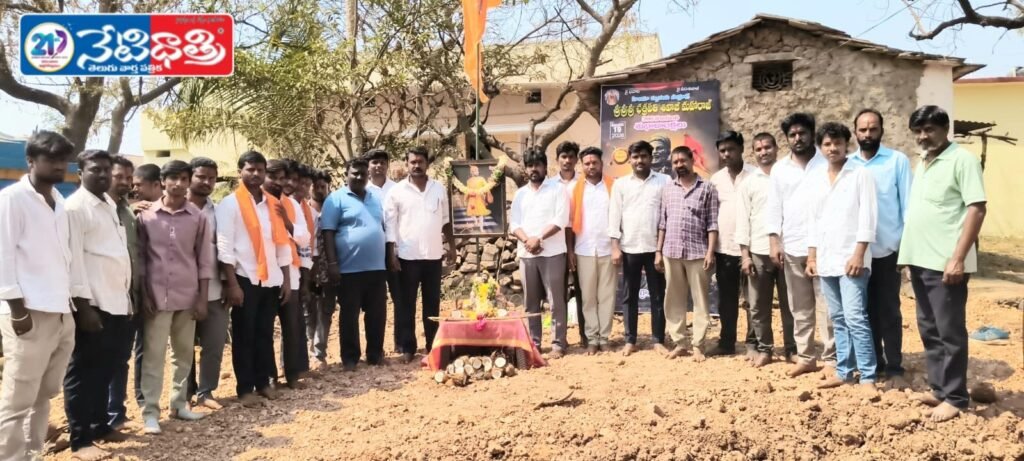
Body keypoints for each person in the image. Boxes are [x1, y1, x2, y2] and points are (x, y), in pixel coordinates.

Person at [899, 105, 987, 422]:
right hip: (920, 260)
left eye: (929, 130)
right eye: (918, 131)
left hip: (946, 264)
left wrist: (957, 258)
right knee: (929, 330)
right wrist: (907, 257)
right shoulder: (924, 162)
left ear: (945, 129)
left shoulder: (962, 160)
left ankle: (956, 398)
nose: (923, 136)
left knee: (950, 332)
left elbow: (977, 209)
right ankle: (939, 389)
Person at [0, 131, 77, 461]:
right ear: (31, 161)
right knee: (17, 400)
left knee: (44, 394)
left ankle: (33, 455)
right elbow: (3, 257)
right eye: (51, 159)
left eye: (63, 159)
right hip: (28, 312)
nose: (59, 165)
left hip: (60, 310)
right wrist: (18, 311)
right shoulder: (12, 200)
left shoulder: (59, 202)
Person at [64, 149, 133, 459]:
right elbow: (73, 260)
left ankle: (99, 425)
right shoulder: (75, 208)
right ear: (80, 172)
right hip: (92, 304)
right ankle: (80, 439)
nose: (103, 175)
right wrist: (83, 307)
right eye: (96, 170)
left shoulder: (109, 204)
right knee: (83, 372)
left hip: (116, 301)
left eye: (107, 169)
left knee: (107, 366)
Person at [137, 160, 213, 434]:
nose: (179, 184)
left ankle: (179, 405)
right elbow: (141, 258)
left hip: (187, 295)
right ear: (162, 181)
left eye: (183, 178)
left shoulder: (197, 217)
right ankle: (150, 413)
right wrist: (143, 293)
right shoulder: (146, 216)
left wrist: (202, 298)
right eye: (173, 178)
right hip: (156, 296)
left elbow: (204, 259)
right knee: (154, 356)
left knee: (183, 354)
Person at [804, 123, 879, 392]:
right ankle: (844, 372)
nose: (832, 148)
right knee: (837, 317)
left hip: (852, 259)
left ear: (847, 144)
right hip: (827, 260)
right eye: (826, 144)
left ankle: (868, 376)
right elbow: (813, 221)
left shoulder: (860, 174)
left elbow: (868, 217)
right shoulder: (817, 179)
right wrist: (812, 257)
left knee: (855, 317)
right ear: (820, 148)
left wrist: (859, 254)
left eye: (837, 143)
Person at [216, 151, 293, 406]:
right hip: (244, 278)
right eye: (250, 169)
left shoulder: (272, 203)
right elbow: (225, 247)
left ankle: (264, 383)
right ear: (240, 171)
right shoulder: (230, 204)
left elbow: (281, 243)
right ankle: (245, 388)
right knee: (244, 336)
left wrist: (286, 280)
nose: (256, 174)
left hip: (271, 279)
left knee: (264, 334)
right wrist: (232, 284)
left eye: (260, 170)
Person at [766, 112, 836, 378]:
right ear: (787, 138)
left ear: (812, 134)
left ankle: (831, 359)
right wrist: (774, 241)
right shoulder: (780, 169)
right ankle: (806, 356)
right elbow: (774, 206)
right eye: (792, 134)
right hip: (793, 245)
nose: (797, 138)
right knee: (799, 307)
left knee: (828, 306)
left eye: (802, 133)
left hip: (825, 246)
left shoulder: (827, 162)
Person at [849, 109, 912, 383]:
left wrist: (906, 250)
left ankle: (895, 365)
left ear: (881, 131)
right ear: (855, 132)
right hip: (857, 254)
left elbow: (908, 207)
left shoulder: (897, 161)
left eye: (872, 129)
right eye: (862, 130)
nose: (867, 134)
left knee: (889, 309)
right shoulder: (848, 165)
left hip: (887, 250)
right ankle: (875, 363)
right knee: (865, 311)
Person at [386, 147, 454, 363]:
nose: (416, 165)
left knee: (432, 303)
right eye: (413, 162)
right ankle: (408, 347)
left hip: (433, 256)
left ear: (427, 164)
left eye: (420, 162)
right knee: (407, 304)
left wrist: (452, 247)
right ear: (407, 164)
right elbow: (390, 225)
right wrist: (392, 254)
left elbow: (446, 220)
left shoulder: (438, 189)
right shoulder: (397, 192)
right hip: (407, 257)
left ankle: (433, 345)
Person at [320, 157, 388, 372]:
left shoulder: (375, 198)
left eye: (363, 173)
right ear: (346, 174)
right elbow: (328, 232)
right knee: (349, 315)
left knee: (377, 314)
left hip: (376, 268)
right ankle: (350, 358)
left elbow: (381, 227)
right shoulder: (335, 199)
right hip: (349, 269)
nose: (359, 177)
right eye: (354, 173)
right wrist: (332, 263)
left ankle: (375, 354)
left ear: (368, 175)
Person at [736, 133, 797, 367]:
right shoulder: (749, 183)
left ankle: (792, 349)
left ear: (776, 148)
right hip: (759, 252)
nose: (764, 152)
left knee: (791, 305)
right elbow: (743, 222)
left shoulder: (788, 176)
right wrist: (745, 256)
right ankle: (765, 349)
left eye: (767, 147)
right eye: (759, 149)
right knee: (758, 306)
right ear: (753, 153)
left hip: (788, 250)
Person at [656, 146, 719, 361]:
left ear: (692, 160)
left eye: (683, 160)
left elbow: (712, 223)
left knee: (700, 300)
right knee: (673, 299)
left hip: (698, 251)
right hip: (671, 251)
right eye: (675, 162)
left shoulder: (707, 188)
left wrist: (710, 252)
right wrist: (658, 251)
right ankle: (680, 343)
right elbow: (662, 223)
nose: (679, 165)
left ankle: (699, 344)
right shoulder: (668, 189)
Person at [608, 140, 671, 357]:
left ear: (650, 158)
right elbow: (614, 216)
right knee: (629, 296)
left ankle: (658, 340)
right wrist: (615, 247)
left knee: (658, 295)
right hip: (629, 247)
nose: (639, 160)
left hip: (655, 248)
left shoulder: (664, 181)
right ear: (630, 160)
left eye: (644, 156)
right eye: (635, 157)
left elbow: (666, 215)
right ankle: (630, 340)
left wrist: (661, 249)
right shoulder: (621, 185)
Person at [510, 148, 571, 358]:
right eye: (530, 166)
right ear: (525, 169)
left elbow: (560, 219)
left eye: (537, 165)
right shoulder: (520, 194)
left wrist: (539, 238)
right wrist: (528, 240)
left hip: (552, 252)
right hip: (527, 254)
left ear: (545, 167)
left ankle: (558, 344)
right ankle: (534, 344)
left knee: (556, 301)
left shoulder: (558, 189)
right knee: (530, 303)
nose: (533, 169)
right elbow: (514, 223)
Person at [182, 157, 228, 411]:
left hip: (214, 289)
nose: (207, 182)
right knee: (183, 346)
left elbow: (226, 249)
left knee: (214, 344)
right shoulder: (175, 208)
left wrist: (229, 283)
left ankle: (206, 391)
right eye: (201, 176)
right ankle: (184, 393)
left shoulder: (218, 211)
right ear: (189, 176)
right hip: (182, 291)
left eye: (212, 178)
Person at [708, 131, 757, 357]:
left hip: (752, 249)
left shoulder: (755, 175)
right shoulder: (716, 180)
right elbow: (711, 214)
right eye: (722, 150)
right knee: (726, 300)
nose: (727, 154)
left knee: (753, 300)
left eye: (731, 149)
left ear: (741, 149)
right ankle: (727, 342)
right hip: (725, 248)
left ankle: (754, 344)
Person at [264, 159, 310, 389]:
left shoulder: (291, 204)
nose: (279, 182)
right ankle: (269, 377)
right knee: (265, 329)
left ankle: (292, 375)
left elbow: (304, 238)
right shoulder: (256, 203)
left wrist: (286, 221)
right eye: (273, 177)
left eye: (282, 178)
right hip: (264, 275)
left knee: (291, 327)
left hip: (290, 273)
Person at [567, 147, 616, 354]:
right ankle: (592, 338)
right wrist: (570, 251)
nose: (591, 166)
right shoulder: (574, 189)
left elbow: (619, 218)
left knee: (607, 296)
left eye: (594, 162)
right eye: (587, 163)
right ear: (581, 166)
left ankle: (604, 338)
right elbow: (569, 223)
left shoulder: (613, 186)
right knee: (587, 298)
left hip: (608, 248)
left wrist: (617, 247)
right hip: (584, 249)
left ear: (601, 163)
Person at [106, 155, 142, 429]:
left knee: (120, 358)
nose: (125, 182)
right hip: (103, 298)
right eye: (119, 176)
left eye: (129, 177)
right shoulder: (93, 210)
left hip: (129, 297)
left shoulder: (127, 212)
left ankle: (116, 414)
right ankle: (96, 420)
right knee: (99, 361)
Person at [549, 141, 587, 348]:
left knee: (582, 290)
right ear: (557, 160)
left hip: (581, 240)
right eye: (563, 156)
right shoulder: (549, 185)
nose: (567, 160)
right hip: (555, 243)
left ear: (576, 160)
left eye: (571, 156)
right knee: (559, 293)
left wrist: (572, 248)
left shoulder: (583, 183)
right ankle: (560, 339)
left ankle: (585, 336)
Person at [365, 149, 403, 353]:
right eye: (374, 162)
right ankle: (375, 348)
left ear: (387, 165)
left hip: (396, 252)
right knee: (376, 302)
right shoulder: (362, 190)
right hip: (373, 254)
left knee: (400, 298)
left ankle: (401, 342)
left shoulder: (398, 189)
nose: (378, 166)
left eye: (382, 162)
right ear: (368, 167)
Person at [307, 170, 334, 368]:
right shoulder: (301, 210)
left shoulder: (333, 210)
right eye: (315, 186)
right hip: (306, 270)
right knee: (308, 312)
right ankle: (308, 351)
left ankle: (319, 353)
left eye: (323, 186)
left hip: (329, 269)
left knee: (325, 311)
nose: (319, 190)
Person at [463, 164, 494, 233]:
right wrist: (465, 199)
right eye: (476, 171)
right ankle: (476, 222)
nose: (478, 172)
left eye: (478, 170)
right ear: (472, 172)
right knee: (472, 213)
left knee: (481, 214)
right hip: (472, 198)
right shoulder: (469, 181)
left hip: (479, 198)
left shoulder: (481, 179)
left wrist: (487, 193)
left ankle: (481, 228)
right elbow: (467, 190)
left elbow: (486, 187)